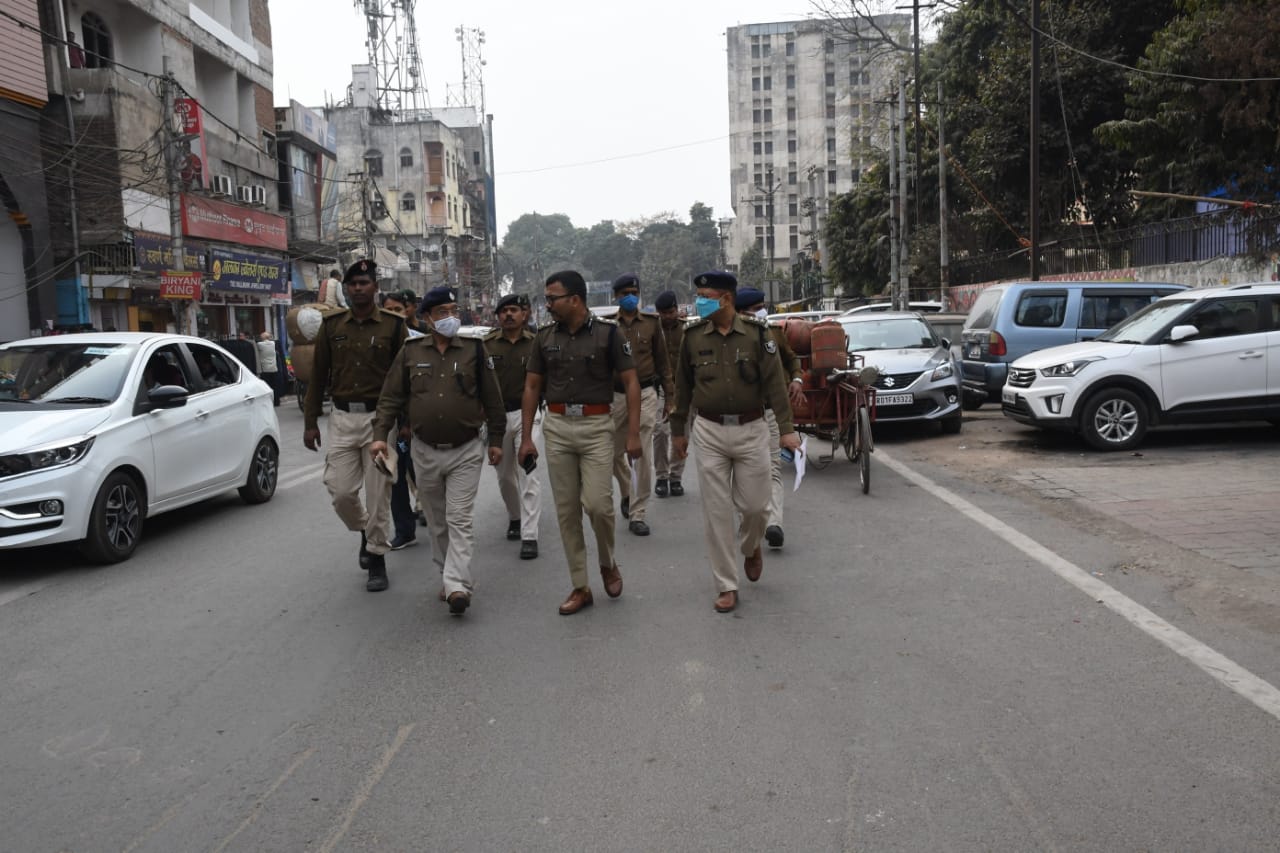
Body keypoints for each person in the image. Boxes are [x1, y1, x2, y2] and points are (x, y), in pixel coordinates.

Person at [671, 271, 801, 614]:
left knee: (756, 507)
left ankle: (751, 545)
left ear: (725, 299)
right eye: (697, 294)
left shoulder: (758, 335)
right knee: (716, 513)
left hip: (752, 427)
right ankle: (726, 584)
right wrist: (678, 431)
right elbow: (682, 385)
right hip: (709, 430)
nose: (699, 301)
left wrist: (787, 429)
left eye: (705, 295)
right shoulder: (693, 336)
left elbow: (775, 383)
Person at [371, 287, 505, 615]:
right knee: (436, 520)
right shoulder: (411, 351)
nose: (450, 317)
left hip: (466, 449)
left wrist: (497, 440)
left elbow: (493, 398)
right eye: (442, 312)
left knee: (458, 518)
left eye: (453, 310)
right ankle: (447, 572)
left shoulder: (474, 349)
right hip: (423, 449)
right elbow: (390, 398)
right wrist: (379, 436)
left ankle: (457, 584)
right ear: (426, 318)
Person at [518, 270, 641, 616]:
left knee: (599, 505)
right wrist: (527, 437)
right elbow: (531, 387)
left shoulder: (609, 335)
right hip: (556, 426)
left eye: (552, 298)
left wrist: (632, 434)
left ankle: (607, 562)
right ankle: (580, 586)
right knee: (567, 510)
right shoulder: (543, 338)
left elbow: (632, 382)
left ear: (574, 299)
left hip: (596, 426)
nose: (548, 305)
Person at [303, 259, 408, 592]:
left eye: (364, 283)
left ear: (375, 287)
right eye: (353, 284)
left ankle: (376, 558)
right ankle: (365, 530)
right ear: (346, 288)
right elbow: (318, 375)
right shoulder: (332, 326)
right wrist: (310, 422)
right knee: (341, 492)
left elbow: (407, 376)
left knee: (378, 495)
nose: (358, 288)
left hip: (382, 420)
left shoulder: (393, 326)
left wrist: (405, 423)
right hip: (343, 418)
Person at [734, 287, 806, 548]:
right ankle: (749, 521)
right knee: (744, 475)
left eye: (762, 307)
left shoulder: (774, 334)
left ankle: (774, 523)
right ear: (740, 313)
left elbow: (792, 360)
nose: (760, 313)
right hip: (741, 418)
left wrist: (797, 379)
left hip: (770, 412)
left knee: (773, 469)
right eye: (754, 309)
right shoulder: (728, 340)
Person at [607, 273, 673, 537]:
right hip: (615, 396)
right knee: (609, 452)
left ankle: (638, 511)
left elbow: (663, 361)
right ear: (617, 297)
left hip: (646, 392)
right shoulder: (607, 326)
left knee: (641, 452)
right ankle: (626, 490)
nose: (629, 296)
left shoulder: (652, 324)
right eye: (624, 293)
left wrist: (670, 396)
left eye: (633, 291)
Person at [483, 293, 543, 560]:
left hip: (527, 415)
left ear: (524, 314)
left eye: (514, 310)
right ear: (498, 316)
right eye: (504, 310)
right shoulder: (485, 345)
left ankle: (530, 534)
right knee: (505, 476)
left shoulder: (536, 344)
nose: (509, 315)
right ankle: (515, 517)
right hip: (496, 418)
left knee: (528, 473)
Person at [378, 290, 423, 550]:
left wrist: (410, 422)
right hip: (388, 418)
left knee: (420, 471)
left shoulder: (418, 340)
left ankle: (430, 507)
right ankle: (405, 530)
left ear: (408, 310)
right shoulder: (377, 340)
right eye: (388, 310)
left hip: (417, 418)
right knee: (393, 475)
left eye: (398, 309)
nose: (394, 315)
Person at [652, 290, 686, 498]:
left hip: (684, 389)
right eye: (663, 313)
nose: (667, 316)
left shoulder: (687, 330)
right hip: (661, 389)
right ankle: (661, 476)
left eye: (671, 311)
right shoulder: (653, 331)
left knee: (682, 434)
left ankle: (676, 477)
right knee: (660, 431)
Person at [256, 331, 284, 407]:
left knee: (267, 386)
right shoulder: (273, 344)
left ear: (262, 338)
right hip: (274, 368)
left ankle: (269, 401)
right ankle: (276, 402)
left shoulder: (259, 344)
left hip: (265, 369)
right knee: (275, 385)